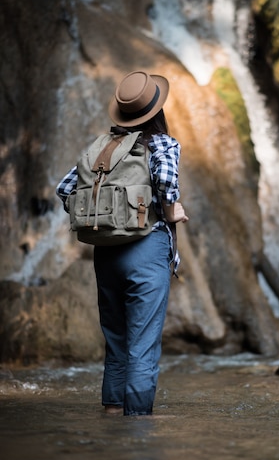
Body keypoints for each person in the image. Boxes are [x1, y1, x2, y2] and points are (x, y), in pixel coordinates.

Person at [56, 71, 189, 417]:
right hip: (146, 249)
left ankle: (111, 421)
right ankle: (137, 430)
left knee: (116, 343)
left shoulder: (100, 148)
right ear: (156, 111)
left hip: (106, 255)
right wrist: (172, 208)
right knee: (143, 347)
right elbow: (164, 180)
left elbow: (64, 190)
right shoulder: (161, 143)